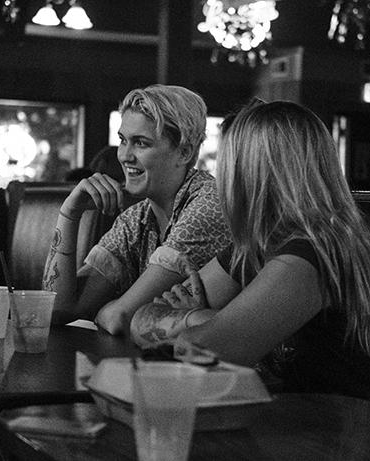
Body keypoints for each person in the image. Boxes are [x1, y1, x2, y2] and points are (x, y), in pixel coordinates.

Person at [130, 100, 370, 400]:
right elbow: (141, 319)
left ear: (250, 173)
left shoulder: (313, 254)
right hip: (289, 422)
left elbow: (201, 350)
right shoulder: (254, 247)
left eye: (227, 163)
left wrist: (197, 319)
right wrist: (205, 319)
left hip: (332, 433)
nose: (221, 178)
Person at [42, 84, 231, 334]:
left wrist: (109, 309)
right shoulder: (136, 218)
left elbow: (120, 318)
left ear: (184, 152)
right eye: (123, 141)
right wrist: (69, 214)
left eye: (141, 143)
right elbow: (57, 309)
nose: (124, 156)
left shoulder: (208, 202)